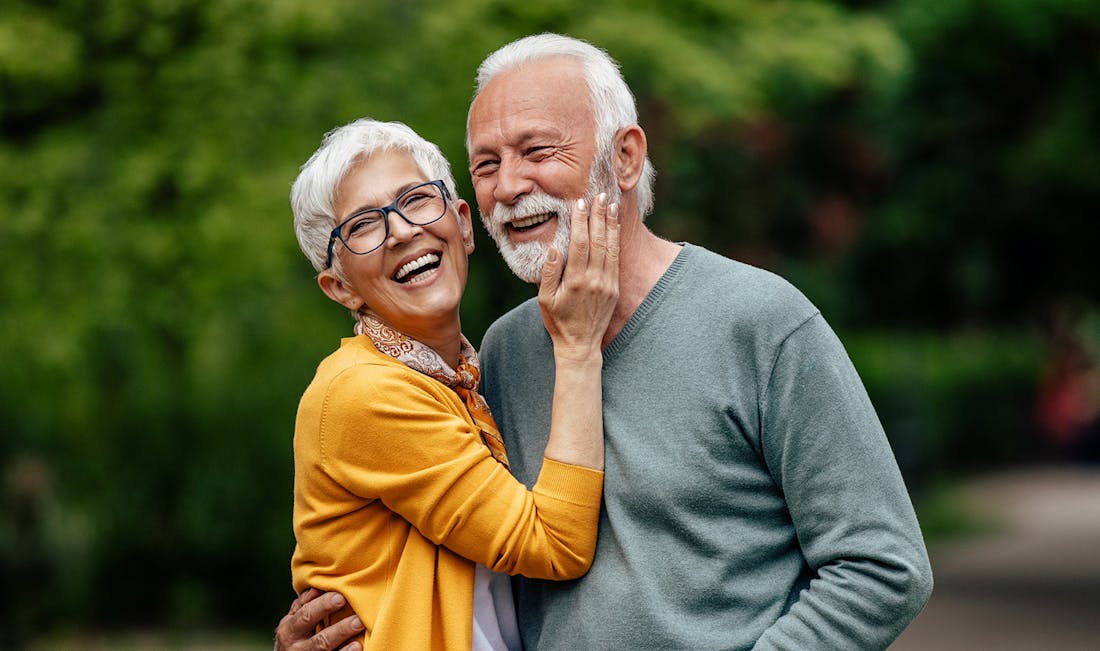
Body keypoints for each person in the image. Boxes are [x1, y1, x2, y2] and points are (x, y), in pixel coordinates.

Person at [278, 33, 933, 650]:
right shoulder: (500, 353)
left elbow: (882, 564)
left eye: (536, 151)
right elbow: (433, 552)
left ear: (624, 157)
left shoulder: (760, 322)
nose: (508, 186)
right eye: (486, 164)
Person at [285, 117, 620, 650]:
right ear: (340, 286)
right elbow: (554, 545)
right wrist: (578, 348)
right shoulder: (366, 392)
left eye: (415, 200)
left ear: (463, 225)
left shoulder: (462, 376)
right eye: (364, 225)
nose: (400, 230)